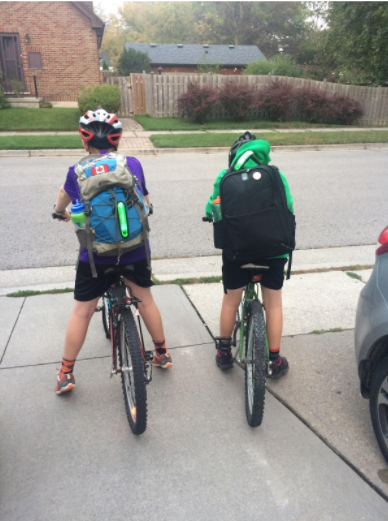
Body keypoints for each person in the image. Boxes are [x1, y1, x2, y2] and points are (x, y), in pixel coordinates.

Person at [52, 108, 172, 395]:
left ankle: (66, 372)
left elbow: (62, 199)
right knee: (145, 300)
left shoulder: (77, 171)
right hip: (134, 249)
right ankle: (162, 353)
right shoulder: (132, 164)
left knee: (82, 312)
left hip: (96, 257)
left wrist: (59, 213)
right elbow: (144, 199)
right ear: (117, 142)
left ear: (85, 142)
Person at [205, 132, 294, 378]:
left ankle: (224, 352)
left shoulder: (224, 177)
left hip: (237, 254)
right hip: (274, 252)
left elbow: (211, 208)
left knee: (231, 301)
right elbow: (289, 207)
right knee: (273, 304)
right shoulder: (275, 174)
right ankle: (274, 361)